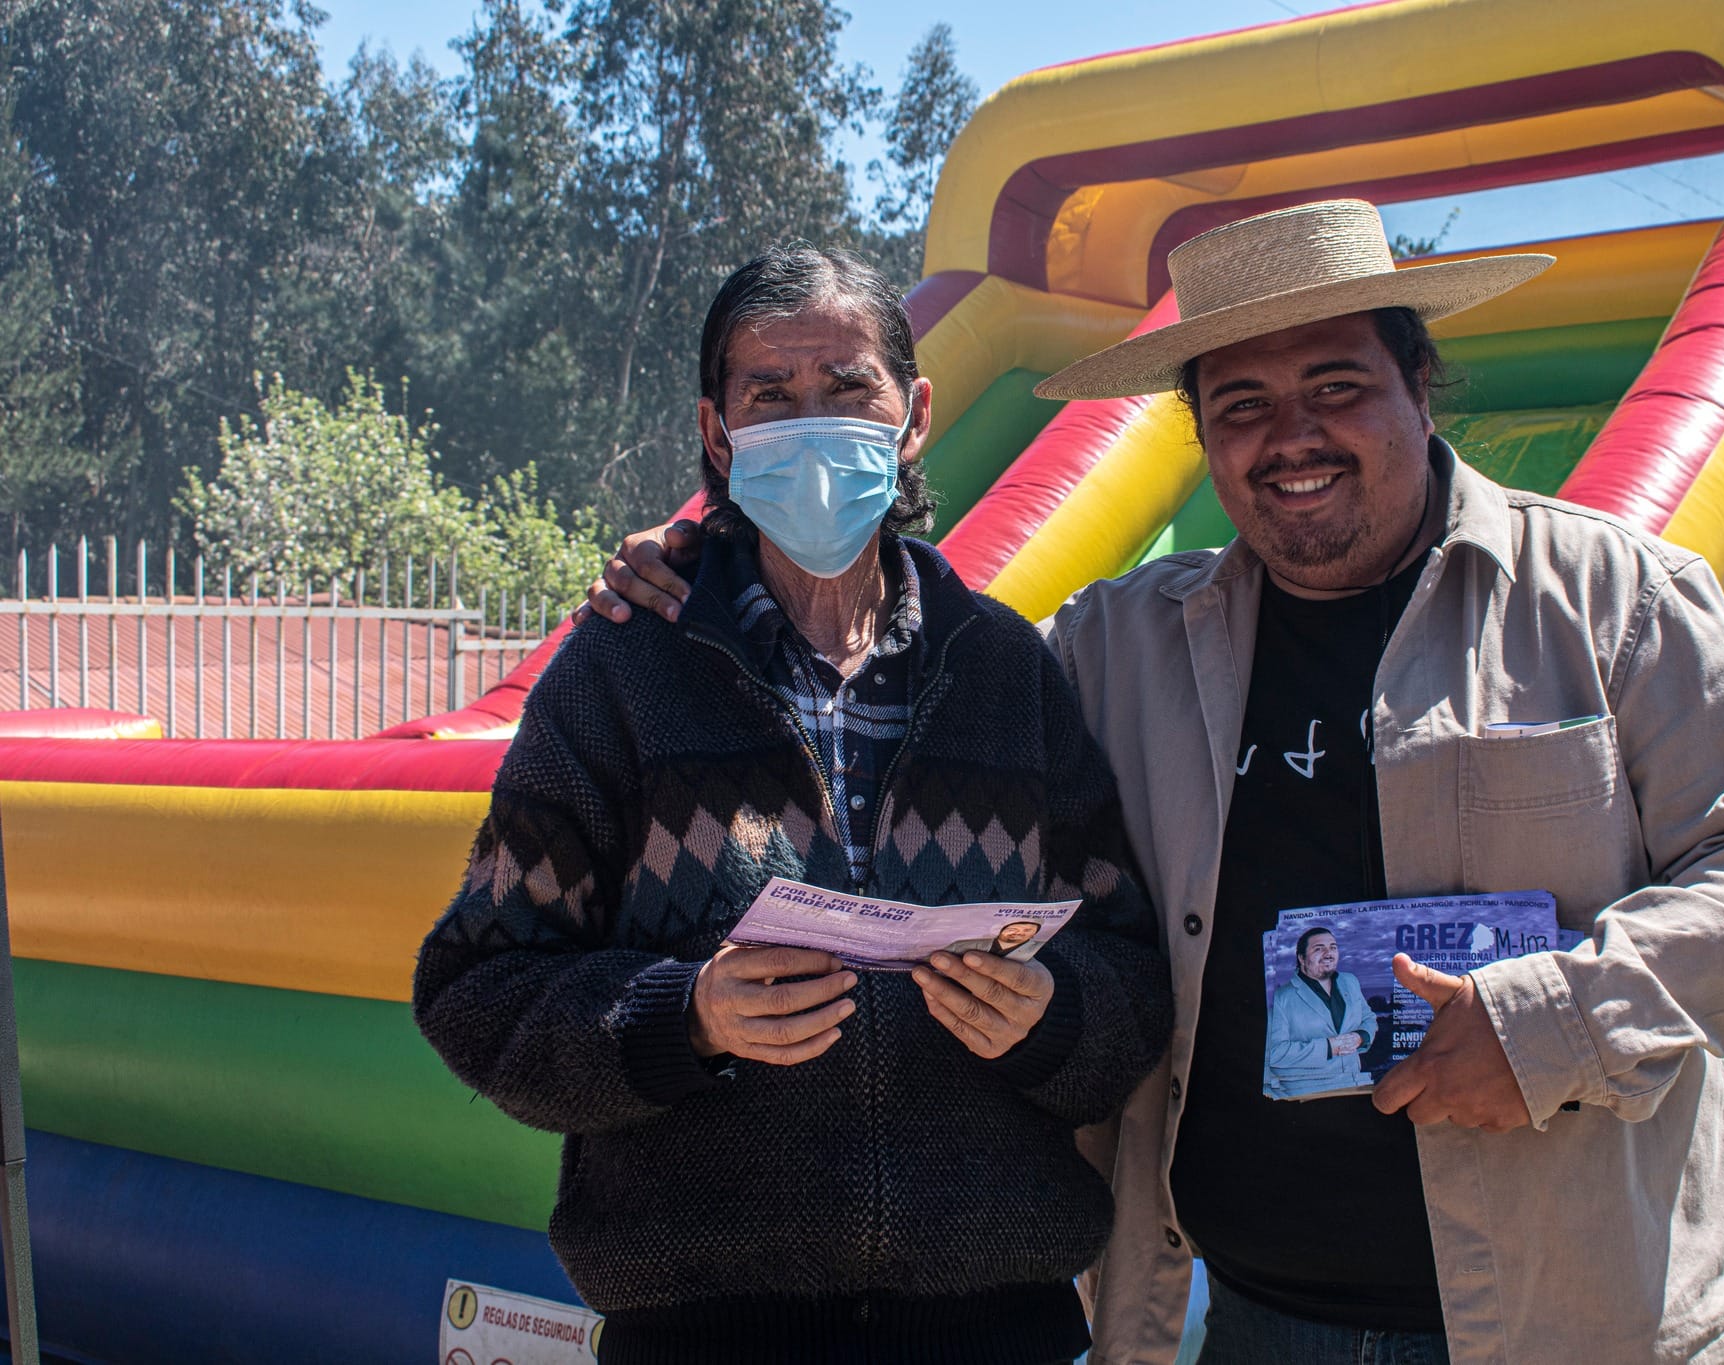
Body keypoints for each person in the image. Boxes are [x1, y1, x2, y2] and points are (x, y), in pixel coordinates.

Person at [579, 201, 1724, 1365]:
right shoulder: (1114, 648)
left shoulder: (1615, 604)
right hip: (1258, 1320)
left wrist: (1546, 1021)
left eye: (1335, 386)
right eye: (1237, 405)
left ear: (1419, 387)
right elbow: (902, 644)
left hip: (1579, 1321)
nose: (1288, 437)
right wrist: (710, 563)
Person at [415, 243, 1171, 1365]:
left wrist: (1053, 1017)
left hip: (991, 1332)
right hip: (703, 1335)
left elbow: (1127, 971)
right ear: (718, 435)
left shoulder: (1006, 674)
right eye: (770, 395)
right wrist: (686, 1017)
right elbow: (477, 991)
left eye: (847, 388)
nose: (811, 423)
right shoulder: (624, 671)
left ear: (912, 417)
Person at [1264, 927, 1374, 1098]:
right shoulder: (1280, 997)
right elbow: (1275, 1053)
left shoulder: (1350, 981)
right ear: (1301, 958)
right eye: (1319, 948)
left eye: (1333, 947)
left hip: (1355, 1085)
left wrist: (1361, 1036)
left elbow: (1368, 1018)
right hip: (1307, 1093)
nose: (1328, 953)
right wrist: (1330, 1047)